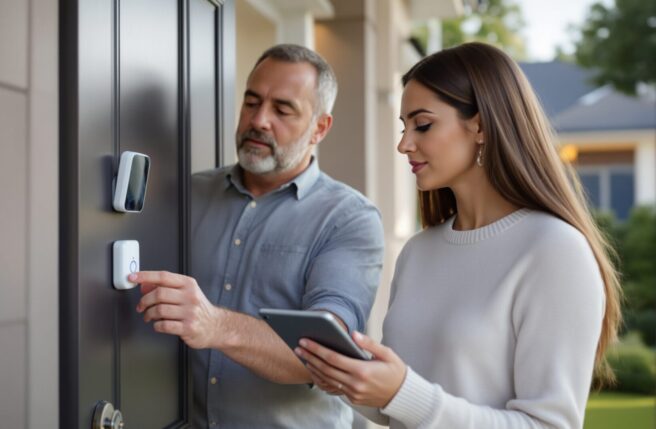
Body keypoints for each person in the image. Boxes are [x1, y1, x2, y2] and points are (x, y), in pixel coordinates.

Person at [295, 42, 622, 428]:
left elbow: (549, 425)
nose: (404, 144)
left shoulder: (554, 250)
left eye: (423, 125)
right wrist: (343, 376)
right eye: (404, 127)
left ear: (480, 125)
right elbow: (394, 407)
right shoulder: (419, 252)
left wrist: (403, 392)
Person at [128, 44, 384, 428]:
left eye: (282, 110)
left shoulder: (348, 219)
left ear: (320, 127)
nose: (260, 120)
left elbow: (327, 353)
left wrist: (215, 324)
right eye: (252, 102)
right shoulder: (185, 197)